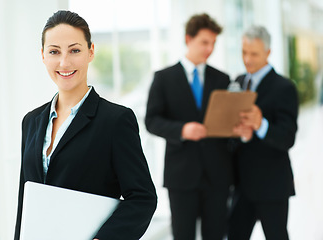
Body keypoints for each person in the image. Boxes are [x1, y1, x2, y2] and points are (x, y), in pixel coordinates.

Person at [14, 10, 157, 240]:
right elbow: (26, 197)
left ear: (90, 52)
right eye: (54, 52)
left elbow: (142, 198)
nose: (64, 62)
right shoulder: (31, 121)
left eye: (75, 50)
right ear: (43, 55)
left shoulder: (116, 121)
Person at [145, 13, 233, 240]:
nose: (209, 49)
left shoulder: (222, 79)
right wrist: (182, 130)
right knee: (183, 236)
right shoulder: (163, 78)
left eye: (213, 43)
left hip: (218, 175)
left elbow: (228, 123)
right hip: (181, 176)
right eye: (204, 42)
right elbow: (151, 121)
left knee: (216, 235)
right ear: (188, 39)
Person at [228, 26, 299, 240]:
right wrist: (239, 134)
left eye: (254, 54)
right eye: (243, 52)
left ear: (268, 52)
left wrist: (261, 125)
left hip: (272, 185)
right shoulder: (237, 82)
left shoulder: (284, 87)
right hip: (242, 185)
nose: (247, 59)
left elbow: (287, 137)